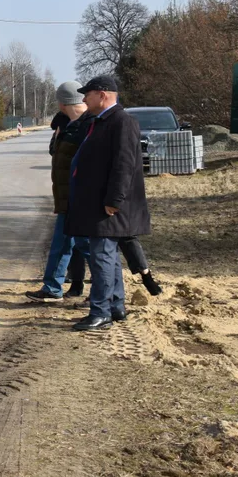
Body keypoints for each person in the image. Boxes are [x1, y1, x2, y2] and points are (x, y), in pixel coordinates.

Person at [65, 74, 152, 331]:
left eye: (87, 94)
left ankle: (100, 312)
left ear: (102, 95)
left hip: (108, 205)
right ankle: (115, 306)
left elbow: (124, 165)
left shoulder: (121, 122)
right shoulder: (103, 121)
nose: (83, 99)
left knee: (102, 256)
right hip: (99, 203)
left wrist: (114, 200)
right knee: (109, 257)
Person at [25, 81, 91, 302]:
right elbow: (56, 154)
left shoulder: (88, 125)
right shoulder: (68, 125)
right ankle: (53, 288)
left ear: (62, 103)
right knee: (62, 244)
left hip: (81, 200)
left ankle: (107, 293)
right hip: (66, 199)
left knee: (90, 248)